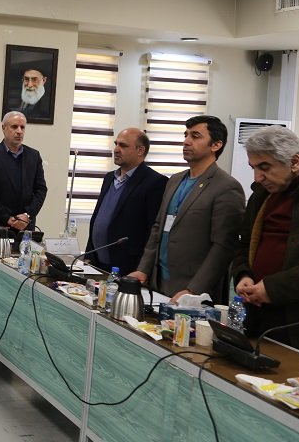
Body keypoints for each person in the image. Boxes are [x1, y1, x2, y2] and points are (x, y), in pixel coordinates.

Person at [131, 115, 245, 303]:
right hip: (159, 282)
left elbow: (223, 247)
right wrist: (143, 269)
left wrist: (194, 289)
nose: (186, 141)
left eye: (195, 136)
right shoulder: (175, 180)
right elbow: (159, 227)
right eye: (186, 135)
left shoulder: (226, 187)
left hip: (192, 290)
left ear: (216, 145)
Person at [231, 126, 299, 350]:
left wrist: (272, 288)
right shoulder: (261, 196)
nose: (257, 177)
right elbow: (243, 244)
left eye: (264, 167)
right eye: (253, 168)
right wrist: (243, 275)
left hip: (297, 320)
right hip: (258, 314)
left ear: (294, 162)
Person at [84, 128, 168, 273]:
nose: (116, 149)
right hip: (97, 263)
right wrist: (88, 255)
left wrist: (143, 269)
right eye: (116, 144)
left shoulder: (155, 182)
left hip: (128, 268)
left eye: (123, 145)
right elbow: (98, 219)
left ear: (140, 150)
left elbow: (153, 232)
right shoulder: (109, 178)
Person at [0, 111, 47, 235]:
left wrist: (27, 215)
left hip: (25, 226)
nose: (19, 131)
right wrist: (7, 218)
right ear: (3, 128)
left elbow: (41, 189)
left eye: (22, 127)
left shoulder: (34, 156)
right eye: (14, 126)